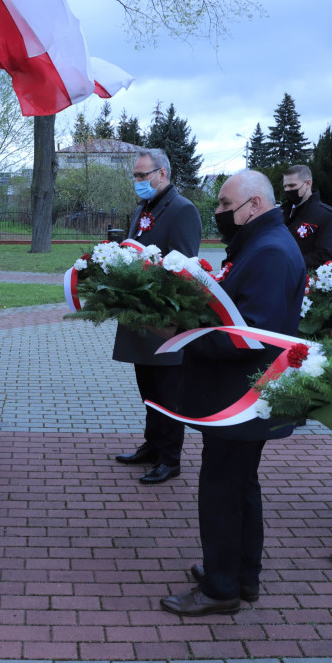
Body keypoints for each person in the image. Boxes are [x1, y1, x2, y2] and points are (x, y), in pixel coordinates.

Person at [160, 171, 305, 616]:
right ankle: (241, 576)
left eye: (225, 205)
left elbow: (250, 337)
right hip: (240, 397)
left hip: (240, 399)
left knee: (222, 490)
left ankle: (221, 588)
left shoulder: (270, 252)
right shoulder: (261, 244)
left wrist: (182, 328)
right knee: (240, 487)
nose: (219, 213)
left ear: (255, 205)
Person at [112, 148, 202, 484]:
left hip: (164, 319)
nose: (137, 181)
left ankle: (170, 458)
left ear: (161, 174)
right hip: (139, 314)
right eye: (135, 175)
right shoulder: (143, 208)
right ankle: (152, 445)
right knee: (148, 390)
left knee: (168, 394)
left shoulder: (182, 210)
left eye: (141, 175)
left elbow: (184, 266)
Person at [280, 164, 332, 269]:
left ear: (308, 183)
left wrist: (288, 262)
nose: (288, 190)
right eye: (285, 186)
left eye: (292, 186)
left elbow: (325, 257)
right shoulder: (281, 213)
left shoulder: (325, 215)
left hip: (305, 279)